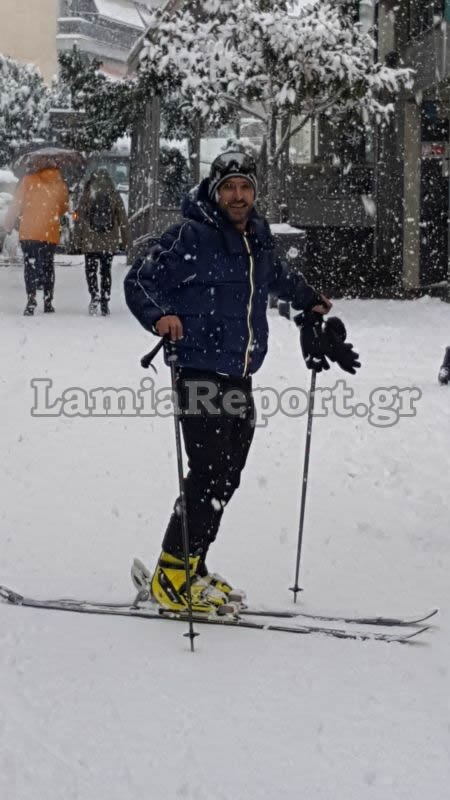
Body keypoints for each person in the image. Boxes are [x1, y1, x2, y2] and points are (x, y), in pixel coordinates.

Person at [124, 148, 359, 614]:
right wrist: (161, 318)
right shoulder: (190, 236)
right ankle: (171, 574)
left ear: (254, 192)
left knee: (227, 475)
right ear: (215, 191)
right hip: (198, 369)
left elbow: (277, 277)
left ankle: (192, 563)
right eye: (229, 187)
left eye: (245, 188)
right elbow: (140, 282)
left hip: (239, 370)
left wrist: (310, 303)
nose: (237, 196)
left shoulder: (257, 237)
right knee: (209, 471)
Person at [5, 168, 69, 315]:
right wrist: (52, 211)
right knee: (48, 265)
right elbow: (64, 207)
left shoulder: (28, 181)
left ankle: (31, 298)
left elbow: (16, 204)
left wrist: (9, 223)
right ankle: (48, 301)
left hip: (29, 231)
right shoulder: (59, 183)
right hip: (50, 232)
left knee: (30, 265)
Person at [74, 169, 129, 316]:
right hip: (108, 241)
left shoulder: (87, 195)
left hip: (90, 241)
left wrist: (77, 240)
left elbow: (78, 219)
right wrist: (125, 241)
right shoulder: (114, 195)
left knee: (91, 271)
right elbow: (123, 220)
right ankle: (105, 300)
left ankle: (94, 295)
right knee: (106, 271)